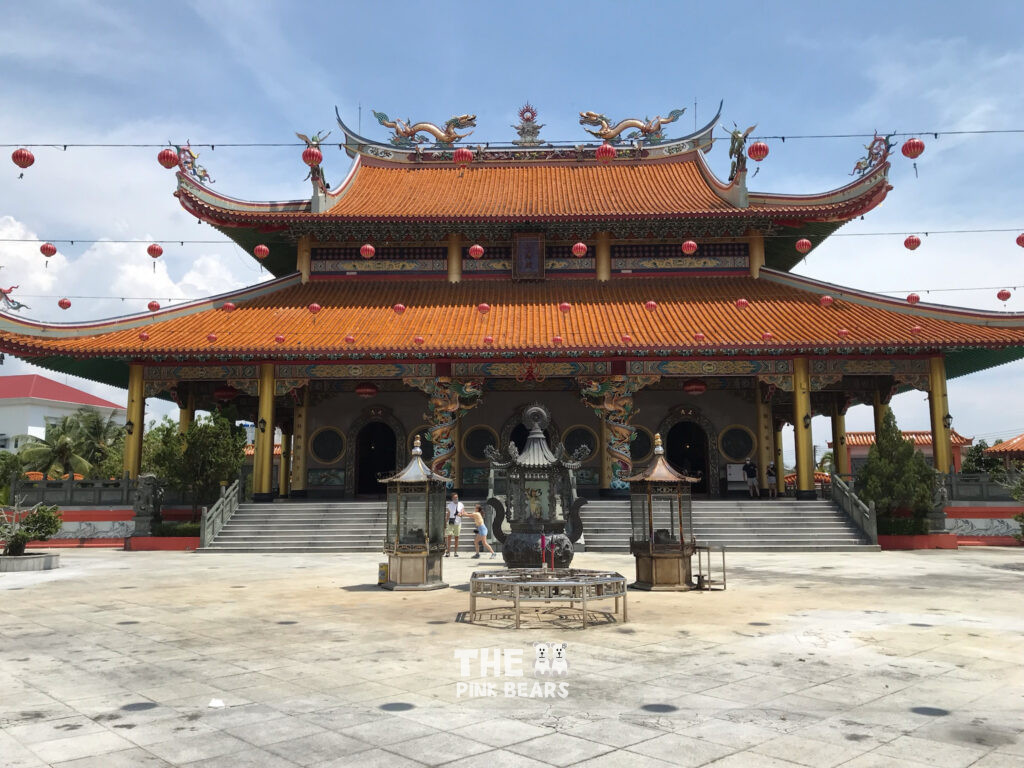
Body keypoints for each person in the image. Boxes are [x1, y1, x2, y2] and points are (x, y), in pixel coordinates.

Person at [444, 493, 464, 557]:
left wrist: (461, 514)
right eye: (455, 498)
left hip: (458, 522)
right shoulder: (449, 505)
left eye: (457, 497)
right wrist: (445, 522)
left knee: (456, 537)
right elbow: (448, 514)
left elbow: (463, 512)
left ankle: (455, 552)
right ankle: (448, 551)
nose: (456, 499)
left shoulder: (461, 504)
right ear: (452, 498)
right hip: (450, 522)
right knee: (449, 537)